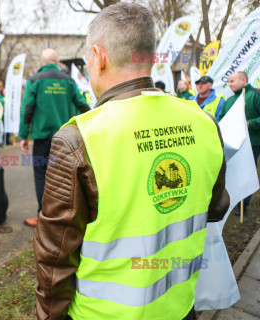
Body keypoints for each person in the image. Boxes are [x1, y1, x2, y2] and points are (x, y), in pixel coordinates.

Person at [33, 3, 229, 320]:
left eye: (87, 60)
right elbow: (217, 207)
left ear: (99, 56)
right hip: (179, 307)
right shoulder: (204, 123)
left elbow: (55, 257)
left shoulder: (78, 140)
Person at [19, 48, 90, 227]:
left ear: (41, 63)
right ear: (57, 61)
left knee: (41, 176)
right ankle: (66, 214)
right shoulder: (68, 80)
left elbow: (27, 109)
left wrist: (23, 135)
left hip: (42, 138)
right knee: (64, 175)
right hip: (65, 138)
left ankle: (43, 216)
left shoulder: (34, 80)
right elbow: (82, 104)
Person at [219, 71, 260, 215]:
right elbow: (222, 120)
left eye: (232, 81)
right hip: (235, 144)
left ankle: (244, 202)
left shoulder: (255, 95)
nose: (229, 84)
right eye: (228, 82)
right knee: (236, 171)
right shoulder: (229, 101)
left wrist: (251, 123)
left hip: (254, 142)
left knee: (249, 171)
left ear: (244, 80)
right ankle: (236, 201)